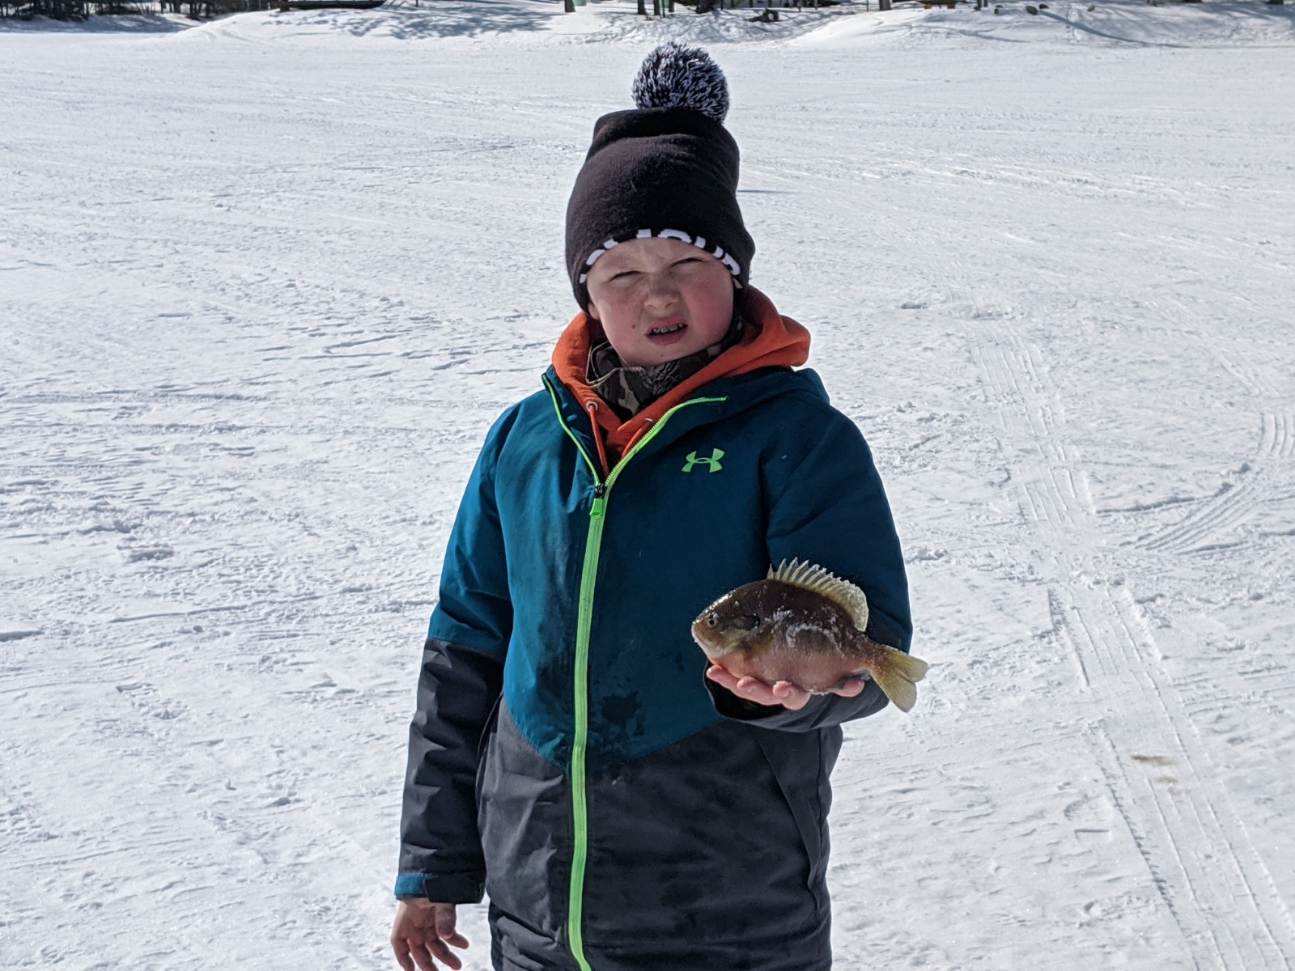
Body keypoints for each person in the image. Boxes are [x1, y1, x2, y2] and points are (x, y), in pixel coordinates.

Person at [390, 41, 913, 971]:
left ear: (737, 276)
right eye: (620, 270)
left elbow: (867, 655)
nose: (657, 292)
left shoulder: (797, 441)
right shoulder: (525, 440)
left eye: (687, 260)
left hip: (731, 914)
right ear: (585, 294)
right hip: (535, 913)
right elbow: (466, 647)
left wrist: (788, 698)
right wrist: (433, 863)